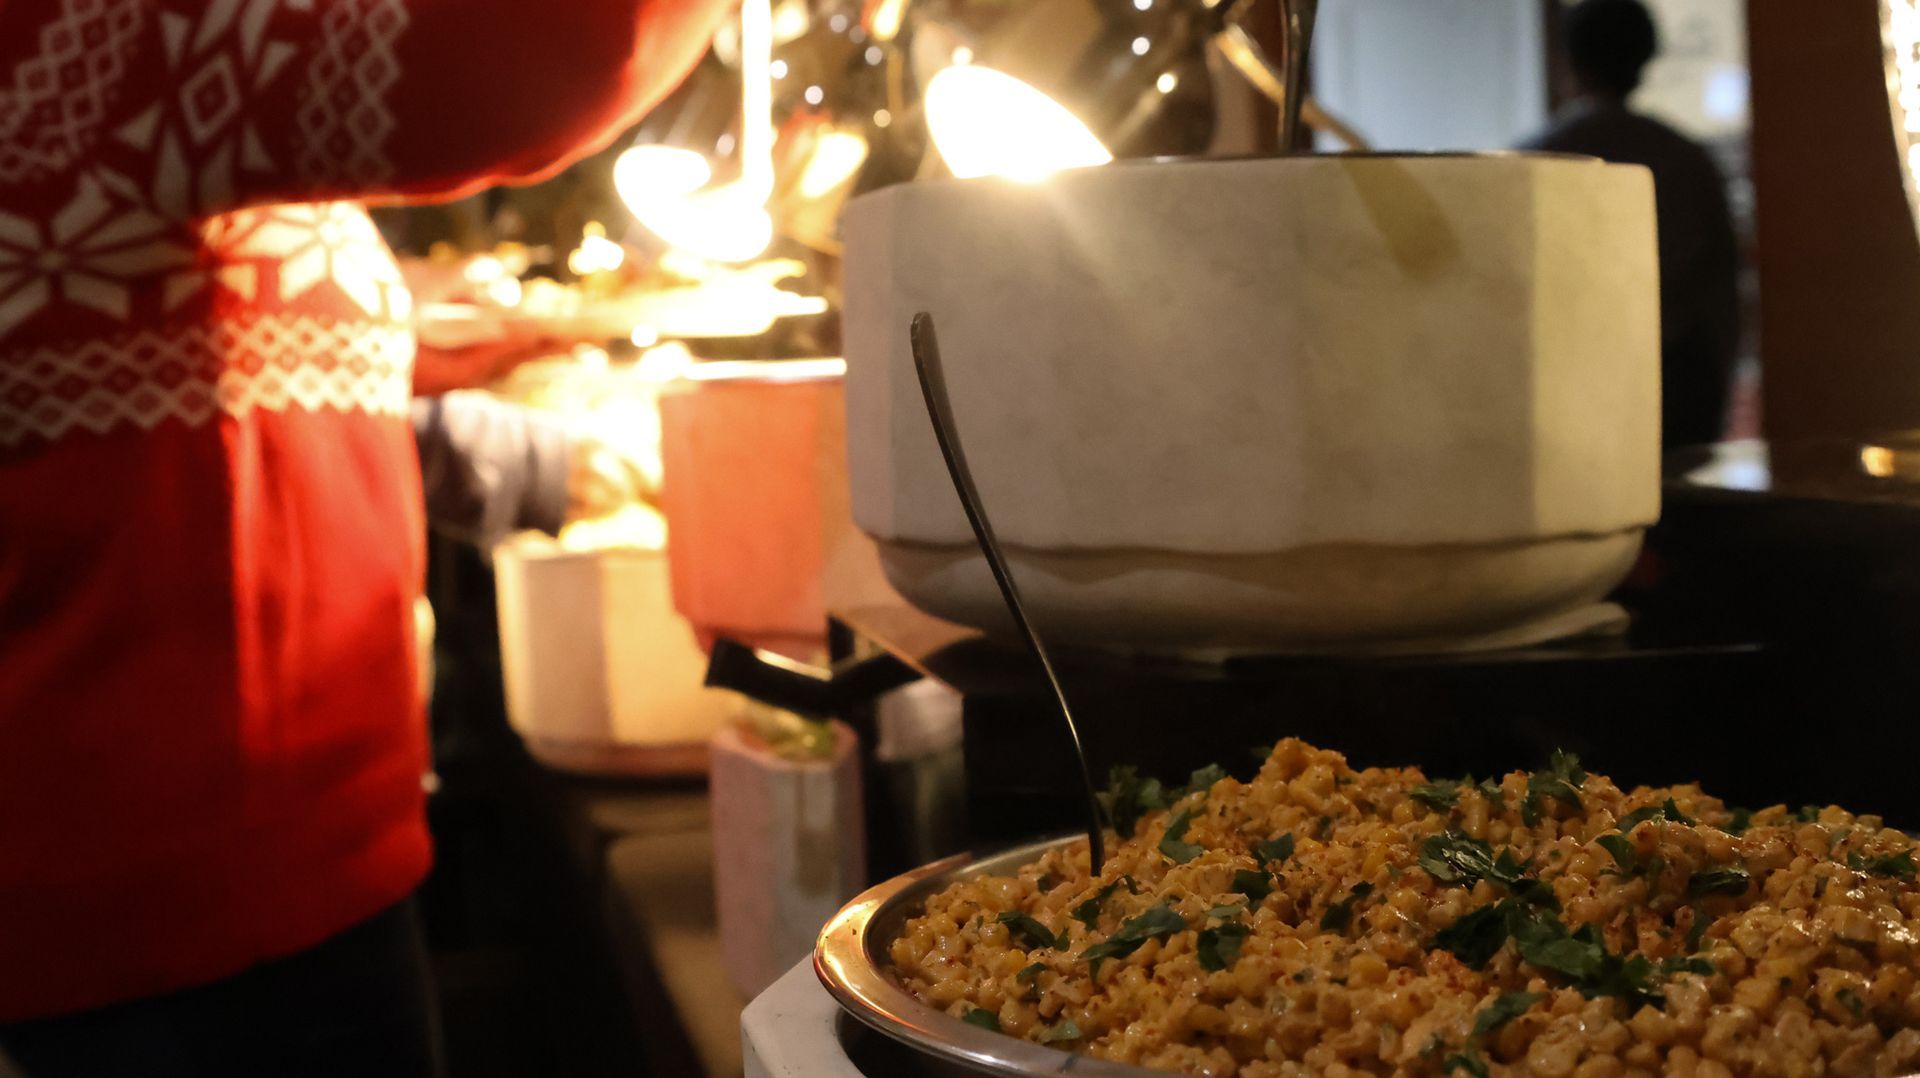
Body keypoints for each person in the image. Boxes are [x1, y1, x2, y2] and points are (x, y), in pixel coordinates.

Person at [0, 0, 729, 1074]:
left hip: (202, 882)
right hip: (199, 914)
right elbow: (578, 48)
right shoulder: (111, 36)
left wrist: (513, 447)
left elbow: (185, 343)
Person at [1521, 0, 1741, 449]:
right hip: (1681, 385)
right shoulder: (1686, 158)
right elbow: (1721, 295)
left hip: (1569, 390)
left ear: (1570, 61)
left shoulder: (1537, 162)